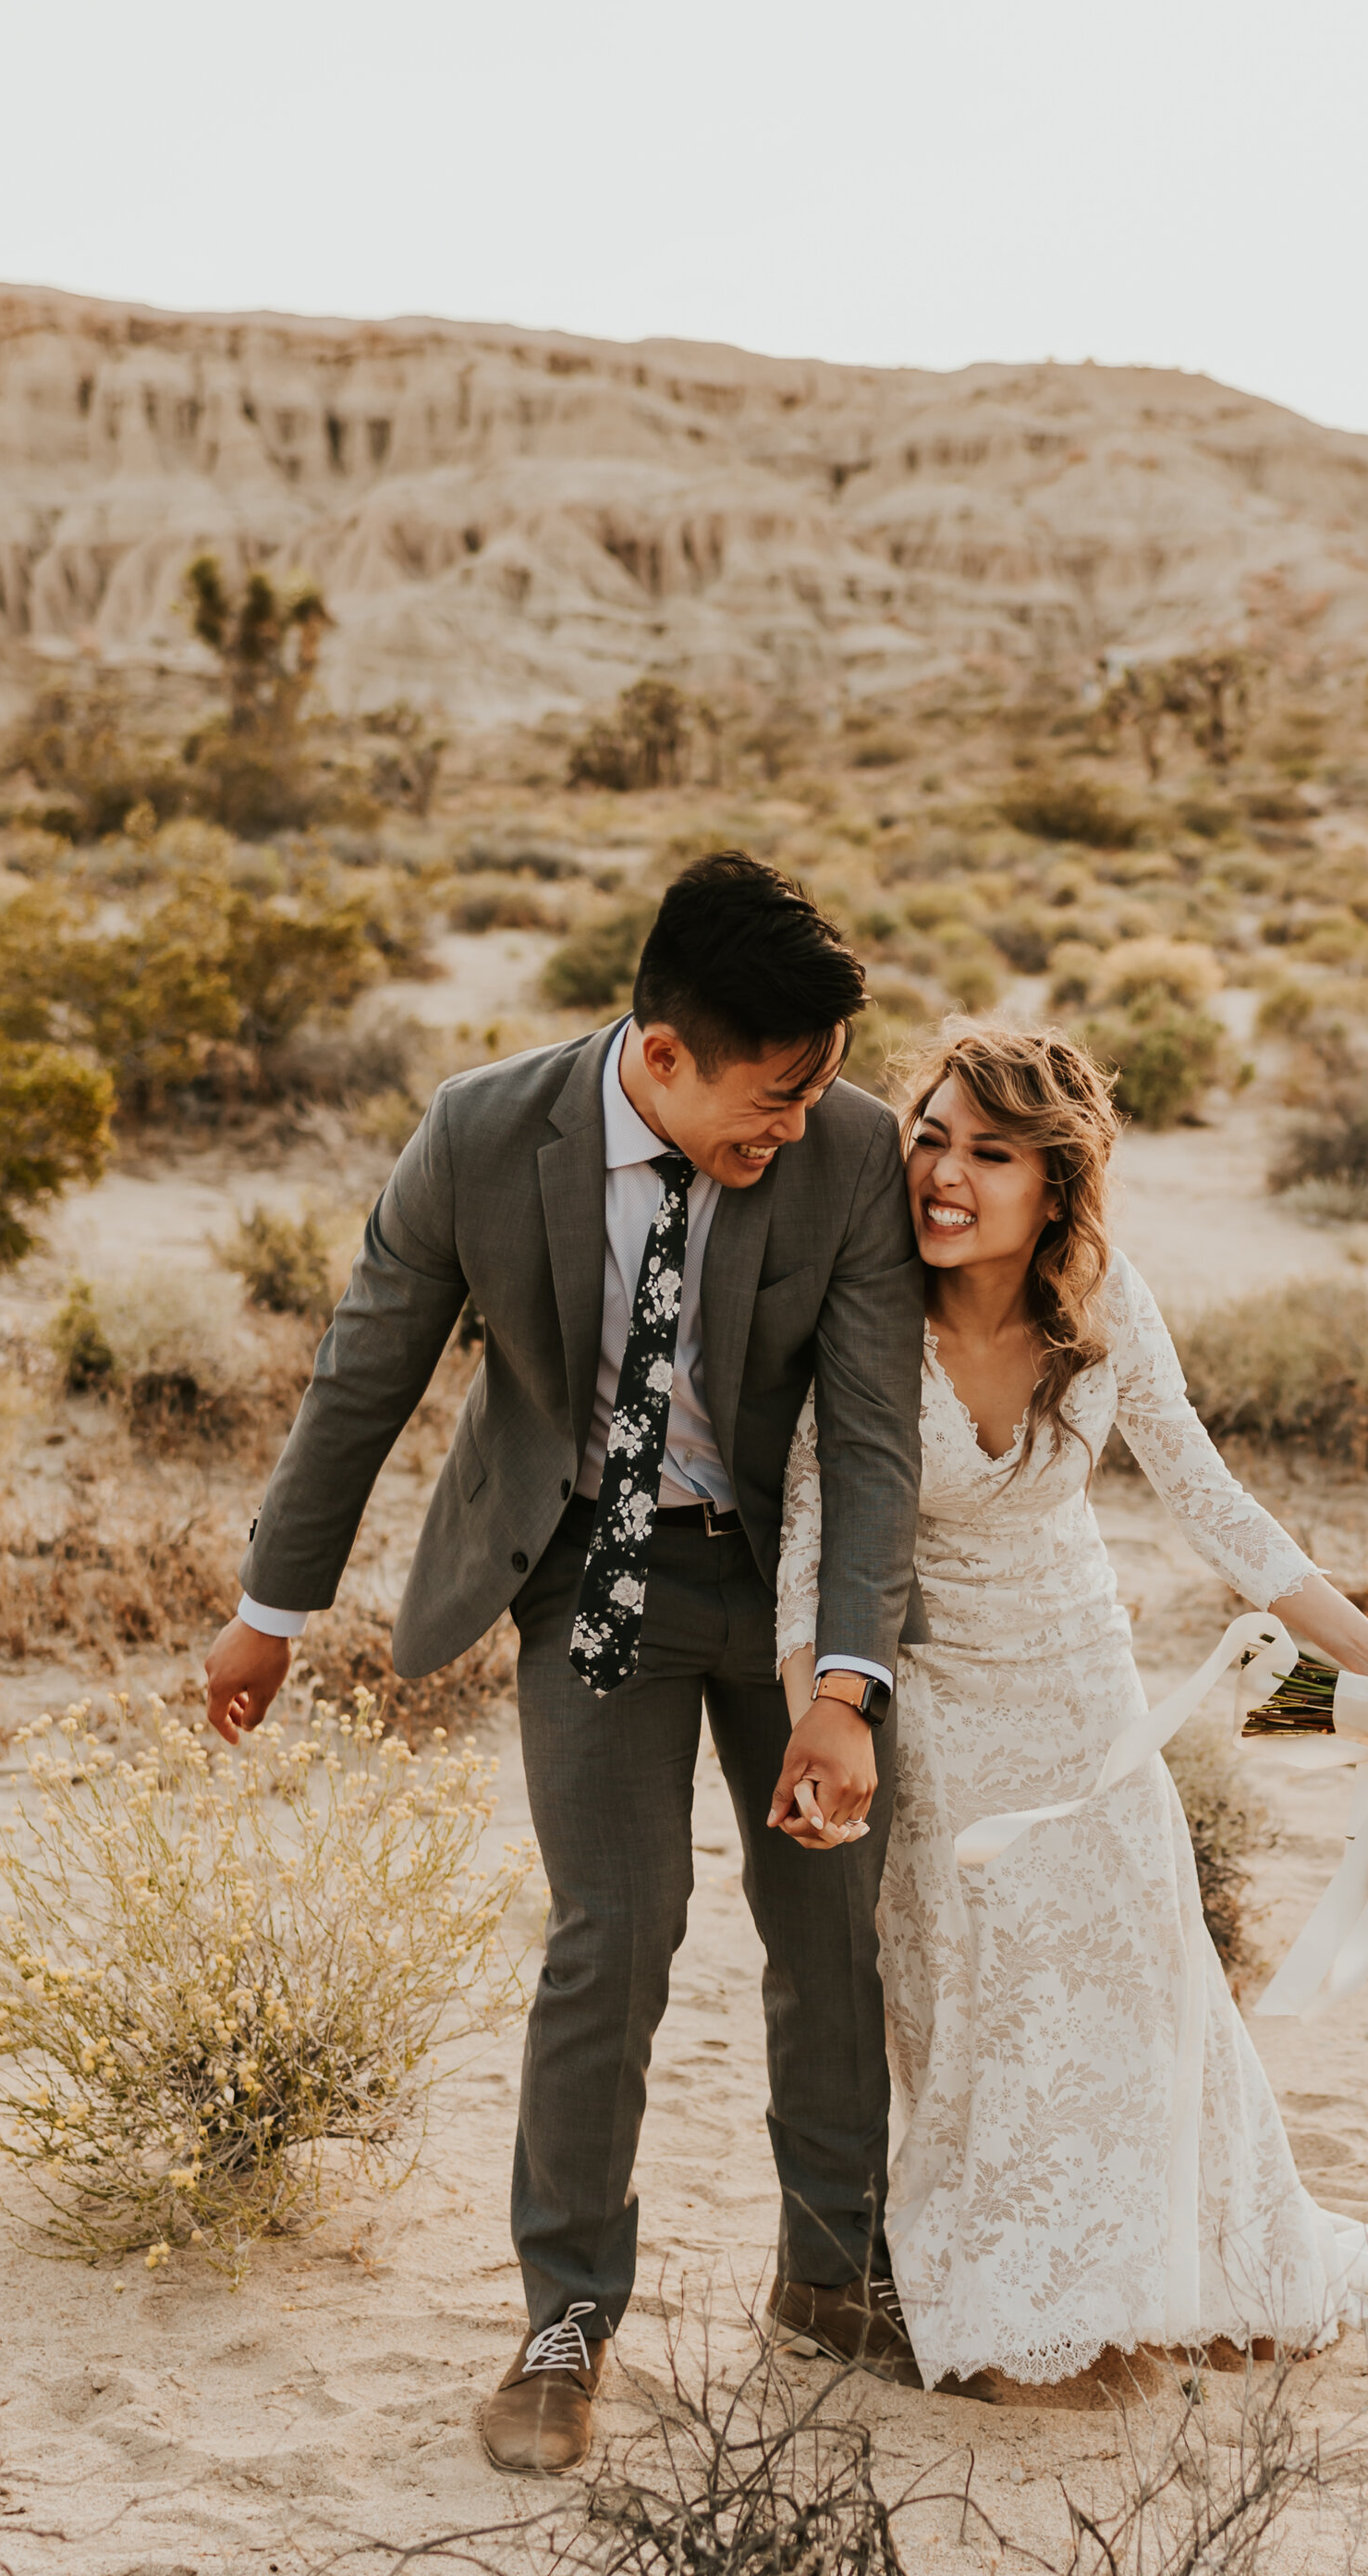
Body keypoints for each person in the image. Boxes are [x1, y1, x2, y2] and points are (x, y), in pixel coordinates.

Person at [201, 852, 927, 2474]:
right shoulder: (479, 1132)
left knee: (828, 1919)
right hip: (590, 1570)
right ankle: (566, 2317)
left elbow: (876, 1438)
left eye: (820, 1089)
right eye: (774, 1089)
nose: (797, 1122)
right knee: (615, 1932)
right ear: (662, 1055)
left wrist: (847, 1686)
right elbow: (361, 1374)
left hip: (793, 1584)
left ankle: (834, 2273)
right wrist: (274, 1608)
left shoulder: (854, 1154)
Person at [775, 1020, 1368, 2400]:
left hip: (1084, 1684)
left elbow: (1215, 1504)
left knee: (1128, 1983)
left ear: (1057, 1187)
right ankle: (1013, 2304)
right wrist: (824, 1714)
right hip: (936, 1694)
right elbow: (816, 1526)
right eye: (929, 1137)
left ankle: (1152, 2270)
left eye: (991, 1153)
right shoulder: (863, 1304)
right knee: (975, 2000)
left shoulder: (1107, 1307)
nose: (944, 1175)